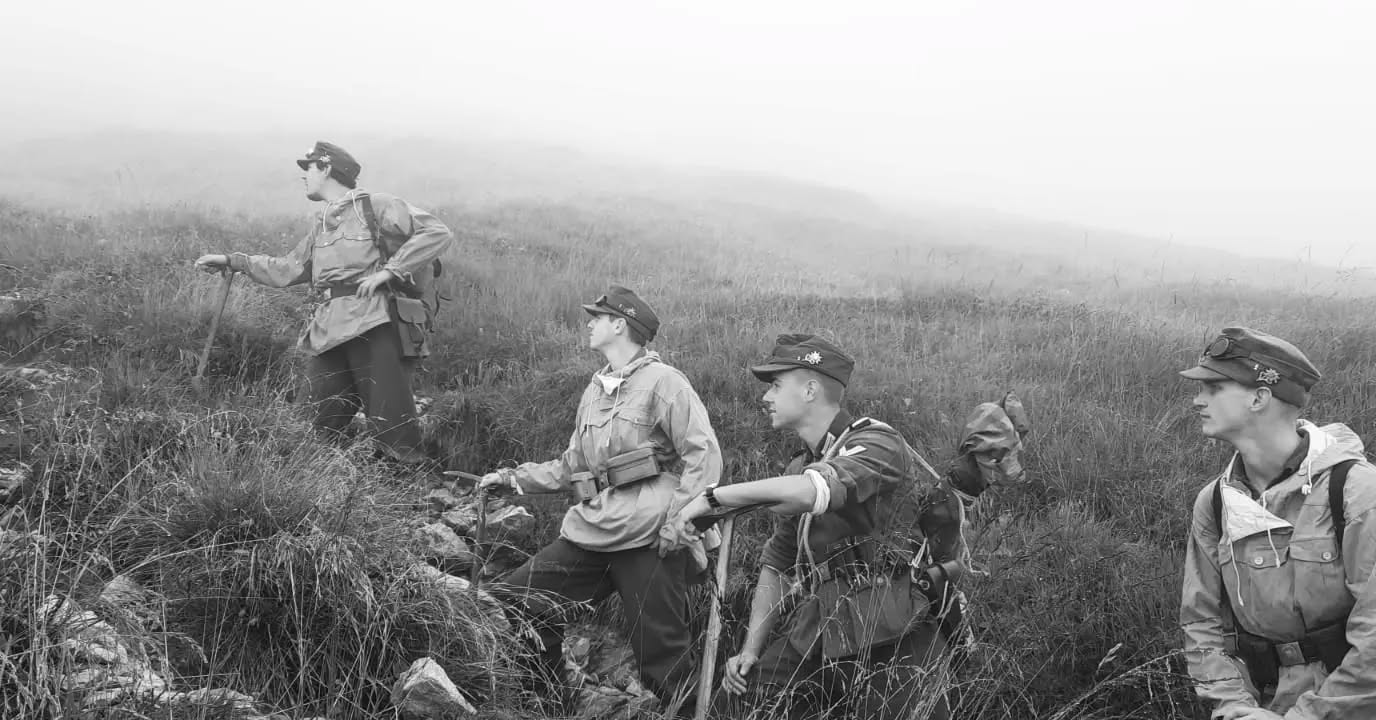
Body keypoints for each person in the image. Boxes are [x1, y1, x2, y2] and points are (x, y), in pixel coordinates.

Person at [674, 334, 962, 720]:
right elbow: (777, 562)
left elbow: (818, 490)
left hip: (892, 628)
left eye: (776, 385)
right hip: (820, 626)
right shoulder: (799, 466)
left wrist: (716, 497)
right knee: (747, 698)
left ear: (810, 390)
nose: (765, 397)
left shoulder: (877, 441)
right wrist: (750, 650)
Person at [478, 285, 722, 712]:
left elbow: (704, 456)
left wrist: (678, 524)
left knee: (660, 653)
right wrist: (512, 479)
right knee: (520, 598)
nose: (590, 323)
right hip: (594, 526)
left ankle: (700, 712)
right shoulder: (594, 391)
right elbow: (573, 464)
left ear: (620, 325)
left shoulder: (665, 383)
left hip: (650, 532)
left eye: (598, 317)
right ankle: (556, 698)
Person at [194, 141, 452, 464]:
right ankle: (313, 493)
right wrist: (234, 261)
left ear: (328, 169)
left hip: (377, 323)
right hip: (329, 332)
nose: (305, 176)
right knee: (309, 425)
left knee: (392, 426)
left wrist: (390, 271)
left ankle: (413, 500)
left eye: (310, 167)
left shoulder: (377, 206)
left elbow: (437, 232)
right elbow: (287, 269)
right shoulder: (323, 225)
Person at [1179, 327, 1376, 720]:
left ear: (1259, 396)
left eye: (1214, 387)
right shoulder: (1216, 502)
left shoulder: (1356, 493)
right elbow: (1201, 621)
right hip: (1258, 704)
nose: (1198, 399)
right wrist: (1234, 705)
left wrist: (1307, 716)